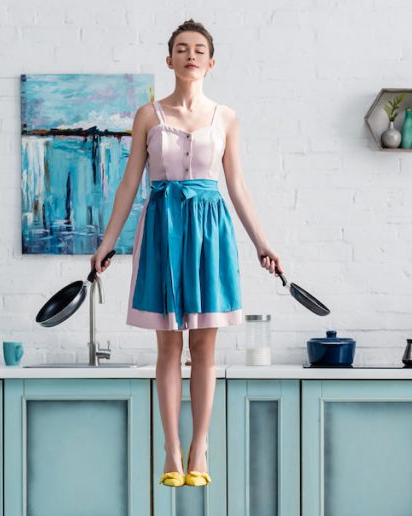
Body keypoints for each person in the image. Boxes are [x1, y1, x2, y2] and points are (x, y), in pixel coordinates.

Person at [91, 18, 282, 488]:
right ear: (169, 59)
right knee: (168, 346)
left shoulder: (226, 118)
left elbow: (236, 185)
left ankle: (201, 446)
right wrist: (107, 242)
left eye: (199, 49)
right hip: (161, 227)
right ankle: (171, 451)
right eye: (182, 48)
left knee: (204, 346)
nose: (190, 54)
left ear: (211, 62)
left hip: (210, 230)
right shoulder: (148, 115)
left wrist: (262, 242)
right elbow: (129, 184)